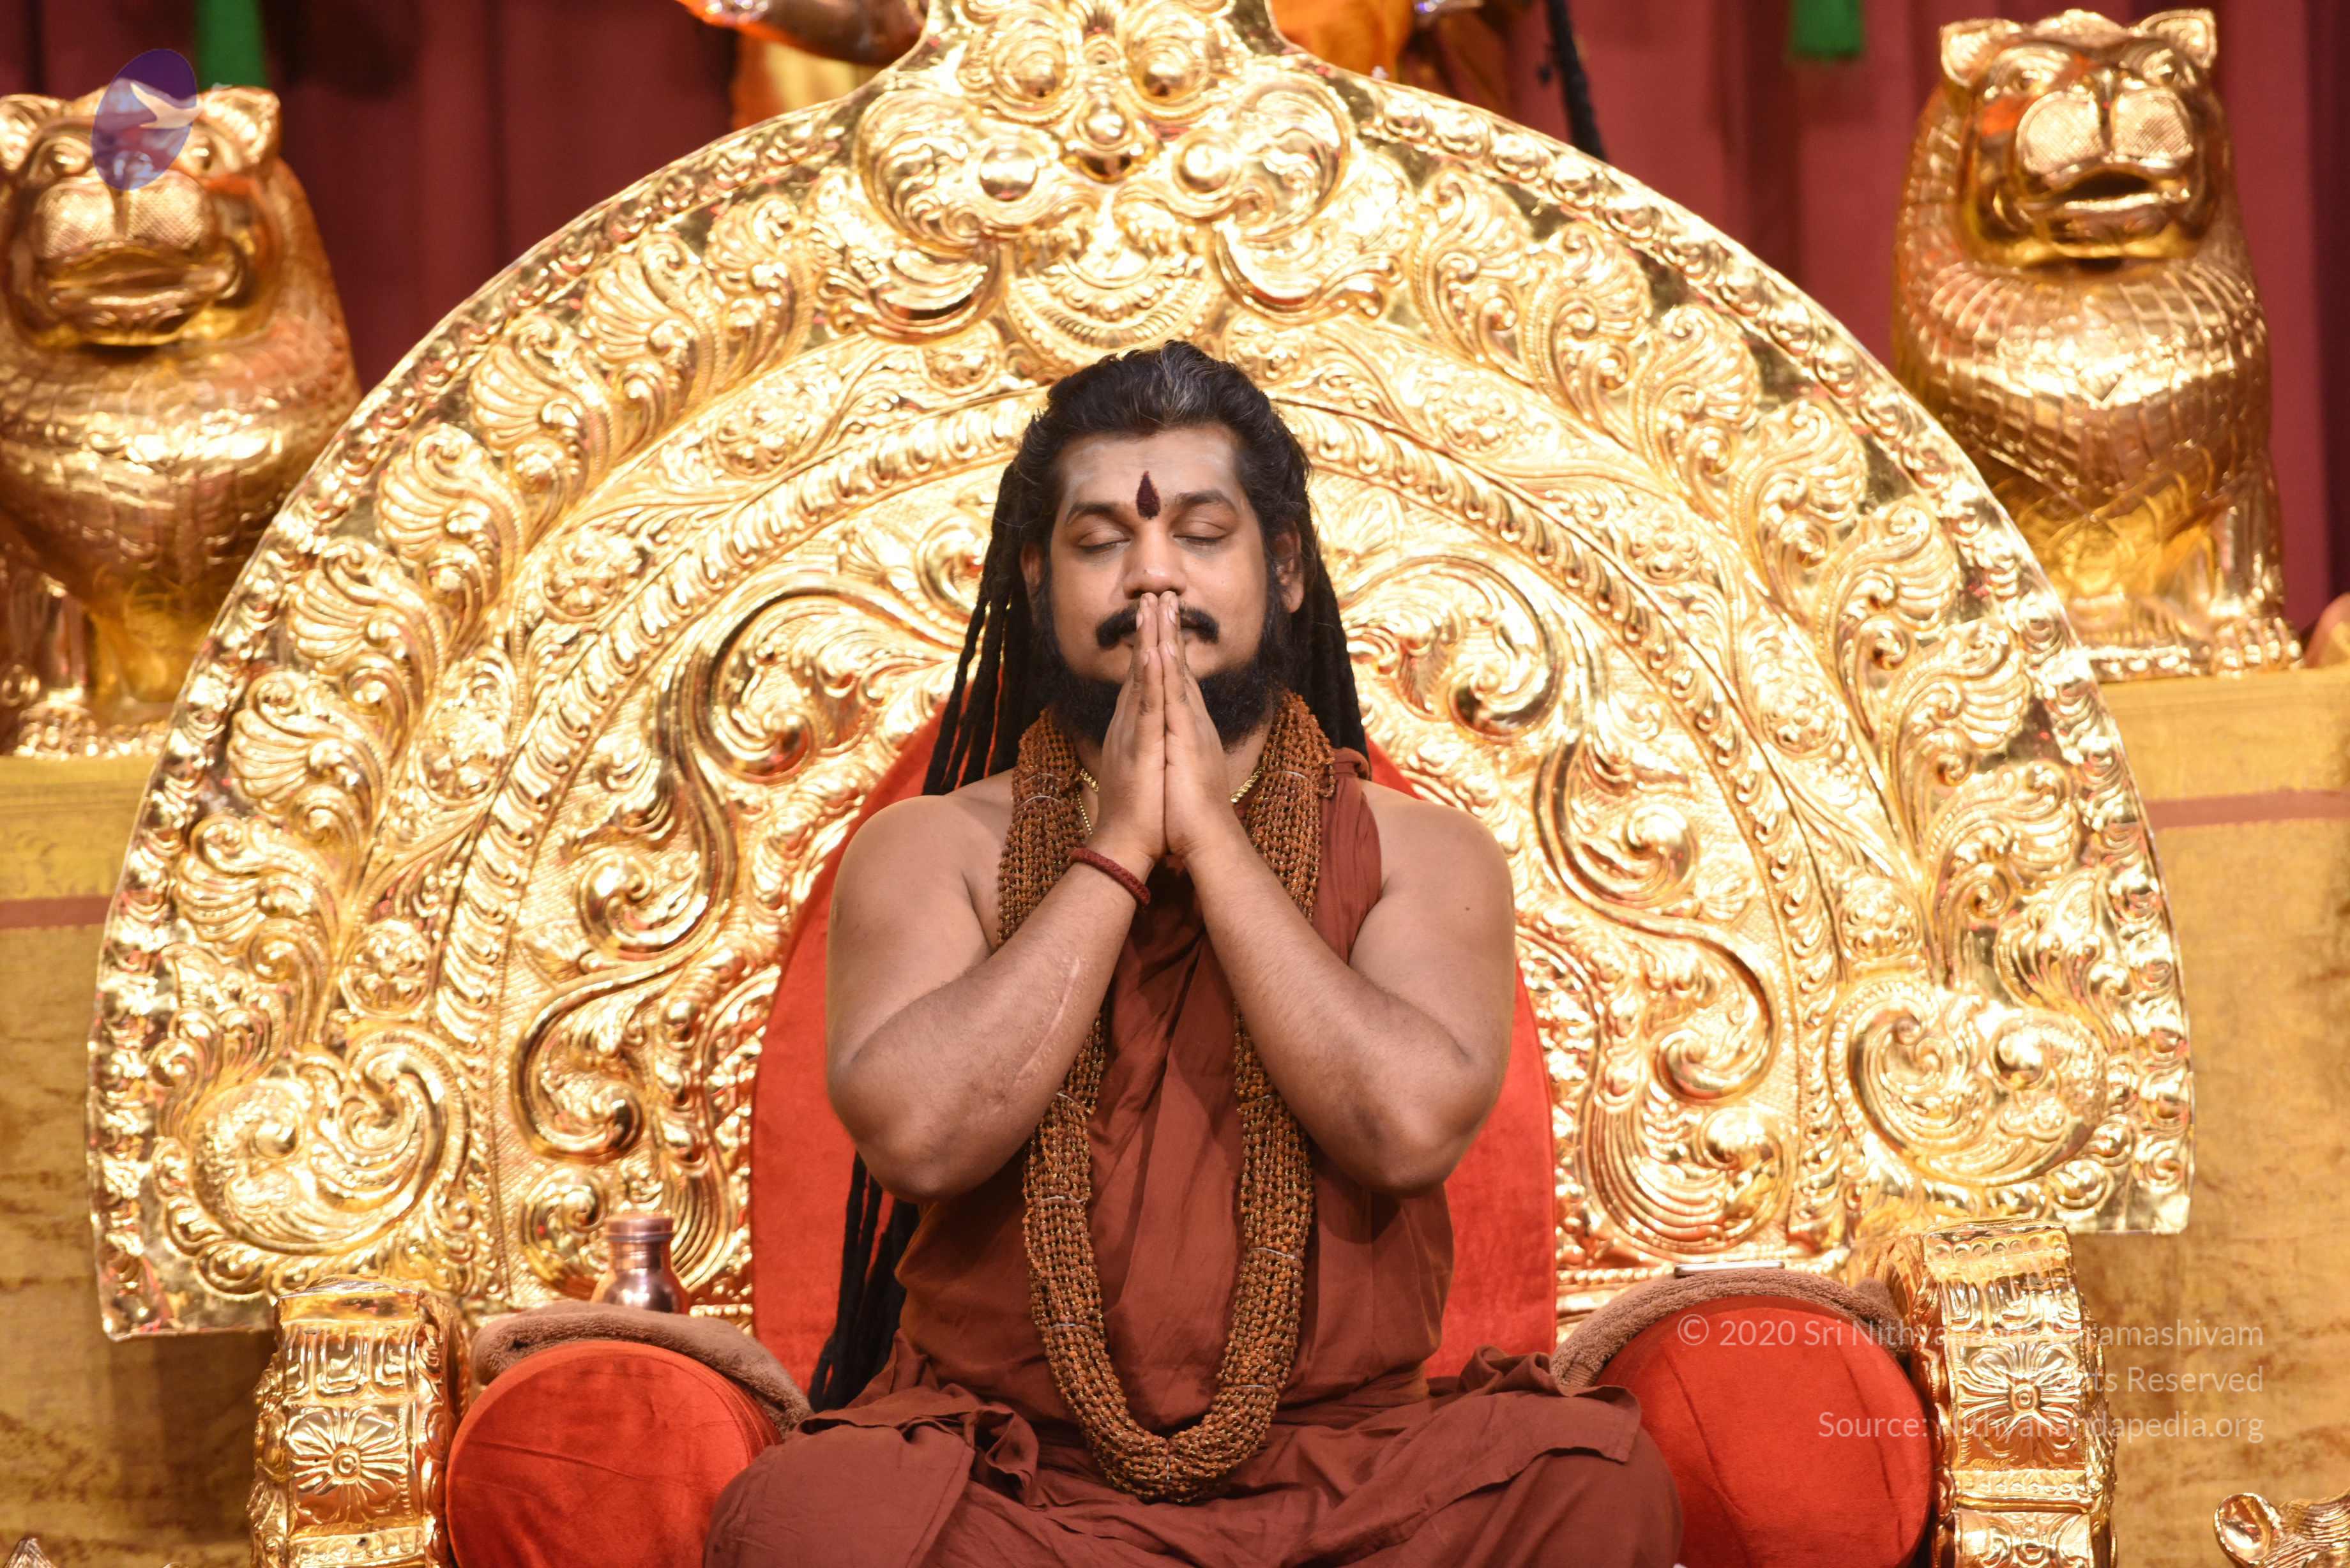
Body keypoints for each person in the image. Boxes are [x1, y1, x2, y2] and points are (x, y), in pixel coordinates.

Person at [706, 342, 1680, 1566]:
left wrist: (1213, 843)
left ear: (1286, 569)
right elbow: (918, 1138)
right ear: (1036, 576)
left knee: (1592, 1487)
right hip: (1015, 1486)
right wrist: (1117, 849)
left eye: (1202, 534)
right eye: (1101, 541)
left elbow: (1406, 1129)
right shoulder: (934, 847)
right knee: (807, 1524)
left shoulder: (1423, 853)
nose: (1153, 575)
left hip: (1358, 1481)